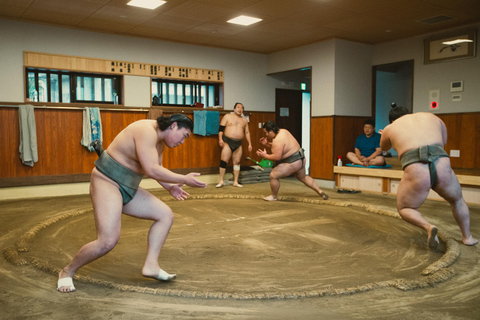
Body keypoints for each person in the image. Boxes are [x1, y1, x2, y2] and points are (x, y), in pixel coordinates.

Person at [57, 114, 207, 293]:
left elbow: (155, 169)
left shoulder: (159, 143)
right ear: (174, 126)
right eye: (185, 135)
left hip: (128, 186)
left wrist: (171, 187)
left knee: (165, 215)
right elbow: (151, 169)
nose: (183, 141)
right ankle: (67, 272)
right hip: (107, 181)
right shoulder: (146, 130)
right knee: (107, 241)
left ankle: (151, 265)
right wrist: (184, 178)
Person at [379, 106, 477, 249]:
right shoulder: (432, 117)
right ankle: (467, 237)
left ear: (392, 120)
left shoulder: (391, 127)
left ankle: (428, 227)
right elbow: (443, 142)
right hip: (441, 162)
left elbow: (384, 149)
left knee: (405, 208)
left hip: (416, 168)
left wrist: (386, 134)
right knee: (457, 200)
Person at [256, 121, 328, 201]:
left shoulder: (277, 140)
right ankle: (320, 191)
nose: (266, 135)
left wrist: (264, 155)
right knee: (303, 177)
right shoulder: (284, 131)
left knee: (273, 175)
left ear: (271, 131)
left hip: (293, 162)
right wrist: (267, 144)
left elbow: (277, 157)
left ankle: (273, 196)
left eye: (266, 133)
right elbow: (283, 147)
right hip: (301, 158)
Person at [217, 102, 252, 188]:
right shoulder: (227, 116)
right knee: (223, 161)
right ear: (234, 109)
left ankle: (235, 182)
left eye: (242, 108)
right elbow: (221, 128)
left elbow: (247, 132)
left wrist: (249, 144)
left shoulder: (244, 120)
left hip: (238, 143)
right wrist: (220, 139)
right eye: (238, 107)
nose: (240, 109)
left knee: (237, 162)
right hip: (227, 142)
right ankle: (221, 181)